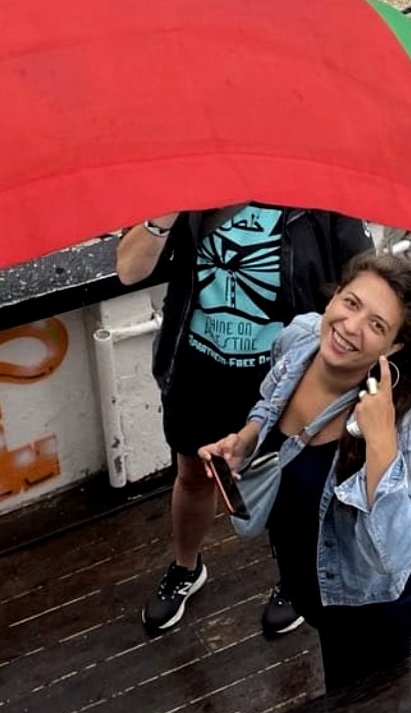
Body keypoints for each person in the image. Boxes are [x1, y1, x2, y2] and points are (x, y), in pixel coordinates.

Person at [198, 251, 411, 692]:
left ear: (392, 348)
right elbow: (271, 400)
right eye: (351, 304)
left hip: (364, 607)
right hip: (303, 576)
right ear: (334, 298)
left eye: (377, 325)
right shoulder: (298, 338)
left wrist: (382, 445)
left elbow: (399, 557)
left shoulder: (404, 422)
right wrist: (249, 437)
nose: (351, 327)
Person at [117, 205, 371, 635]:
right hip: (198, 371)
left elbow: (362, 280)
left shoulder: (318, 196)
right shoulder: (192, 186)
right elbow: (129, 270)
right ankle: (185, 567)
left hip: (284, 376)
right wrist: (167, 209)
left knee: (287, 485)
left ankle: (294, 578)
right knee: (194, 475)